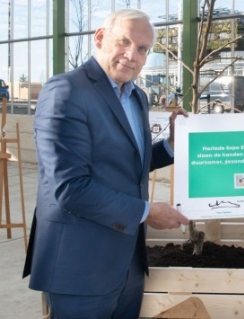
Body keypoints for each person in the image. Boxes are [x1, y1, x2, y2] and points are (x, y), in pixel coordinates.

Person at [22, 9, 189, 318]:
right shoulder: (67, 91)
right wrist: (148, 212)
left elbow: (127, 163)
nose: (132, 55)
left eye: (142, 49)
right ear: (99, 38)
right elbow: (70, 188)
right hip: (80, 266)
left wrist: (171, 146)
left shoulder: (136, 96)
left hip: (127, 265)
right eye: (123, 41)